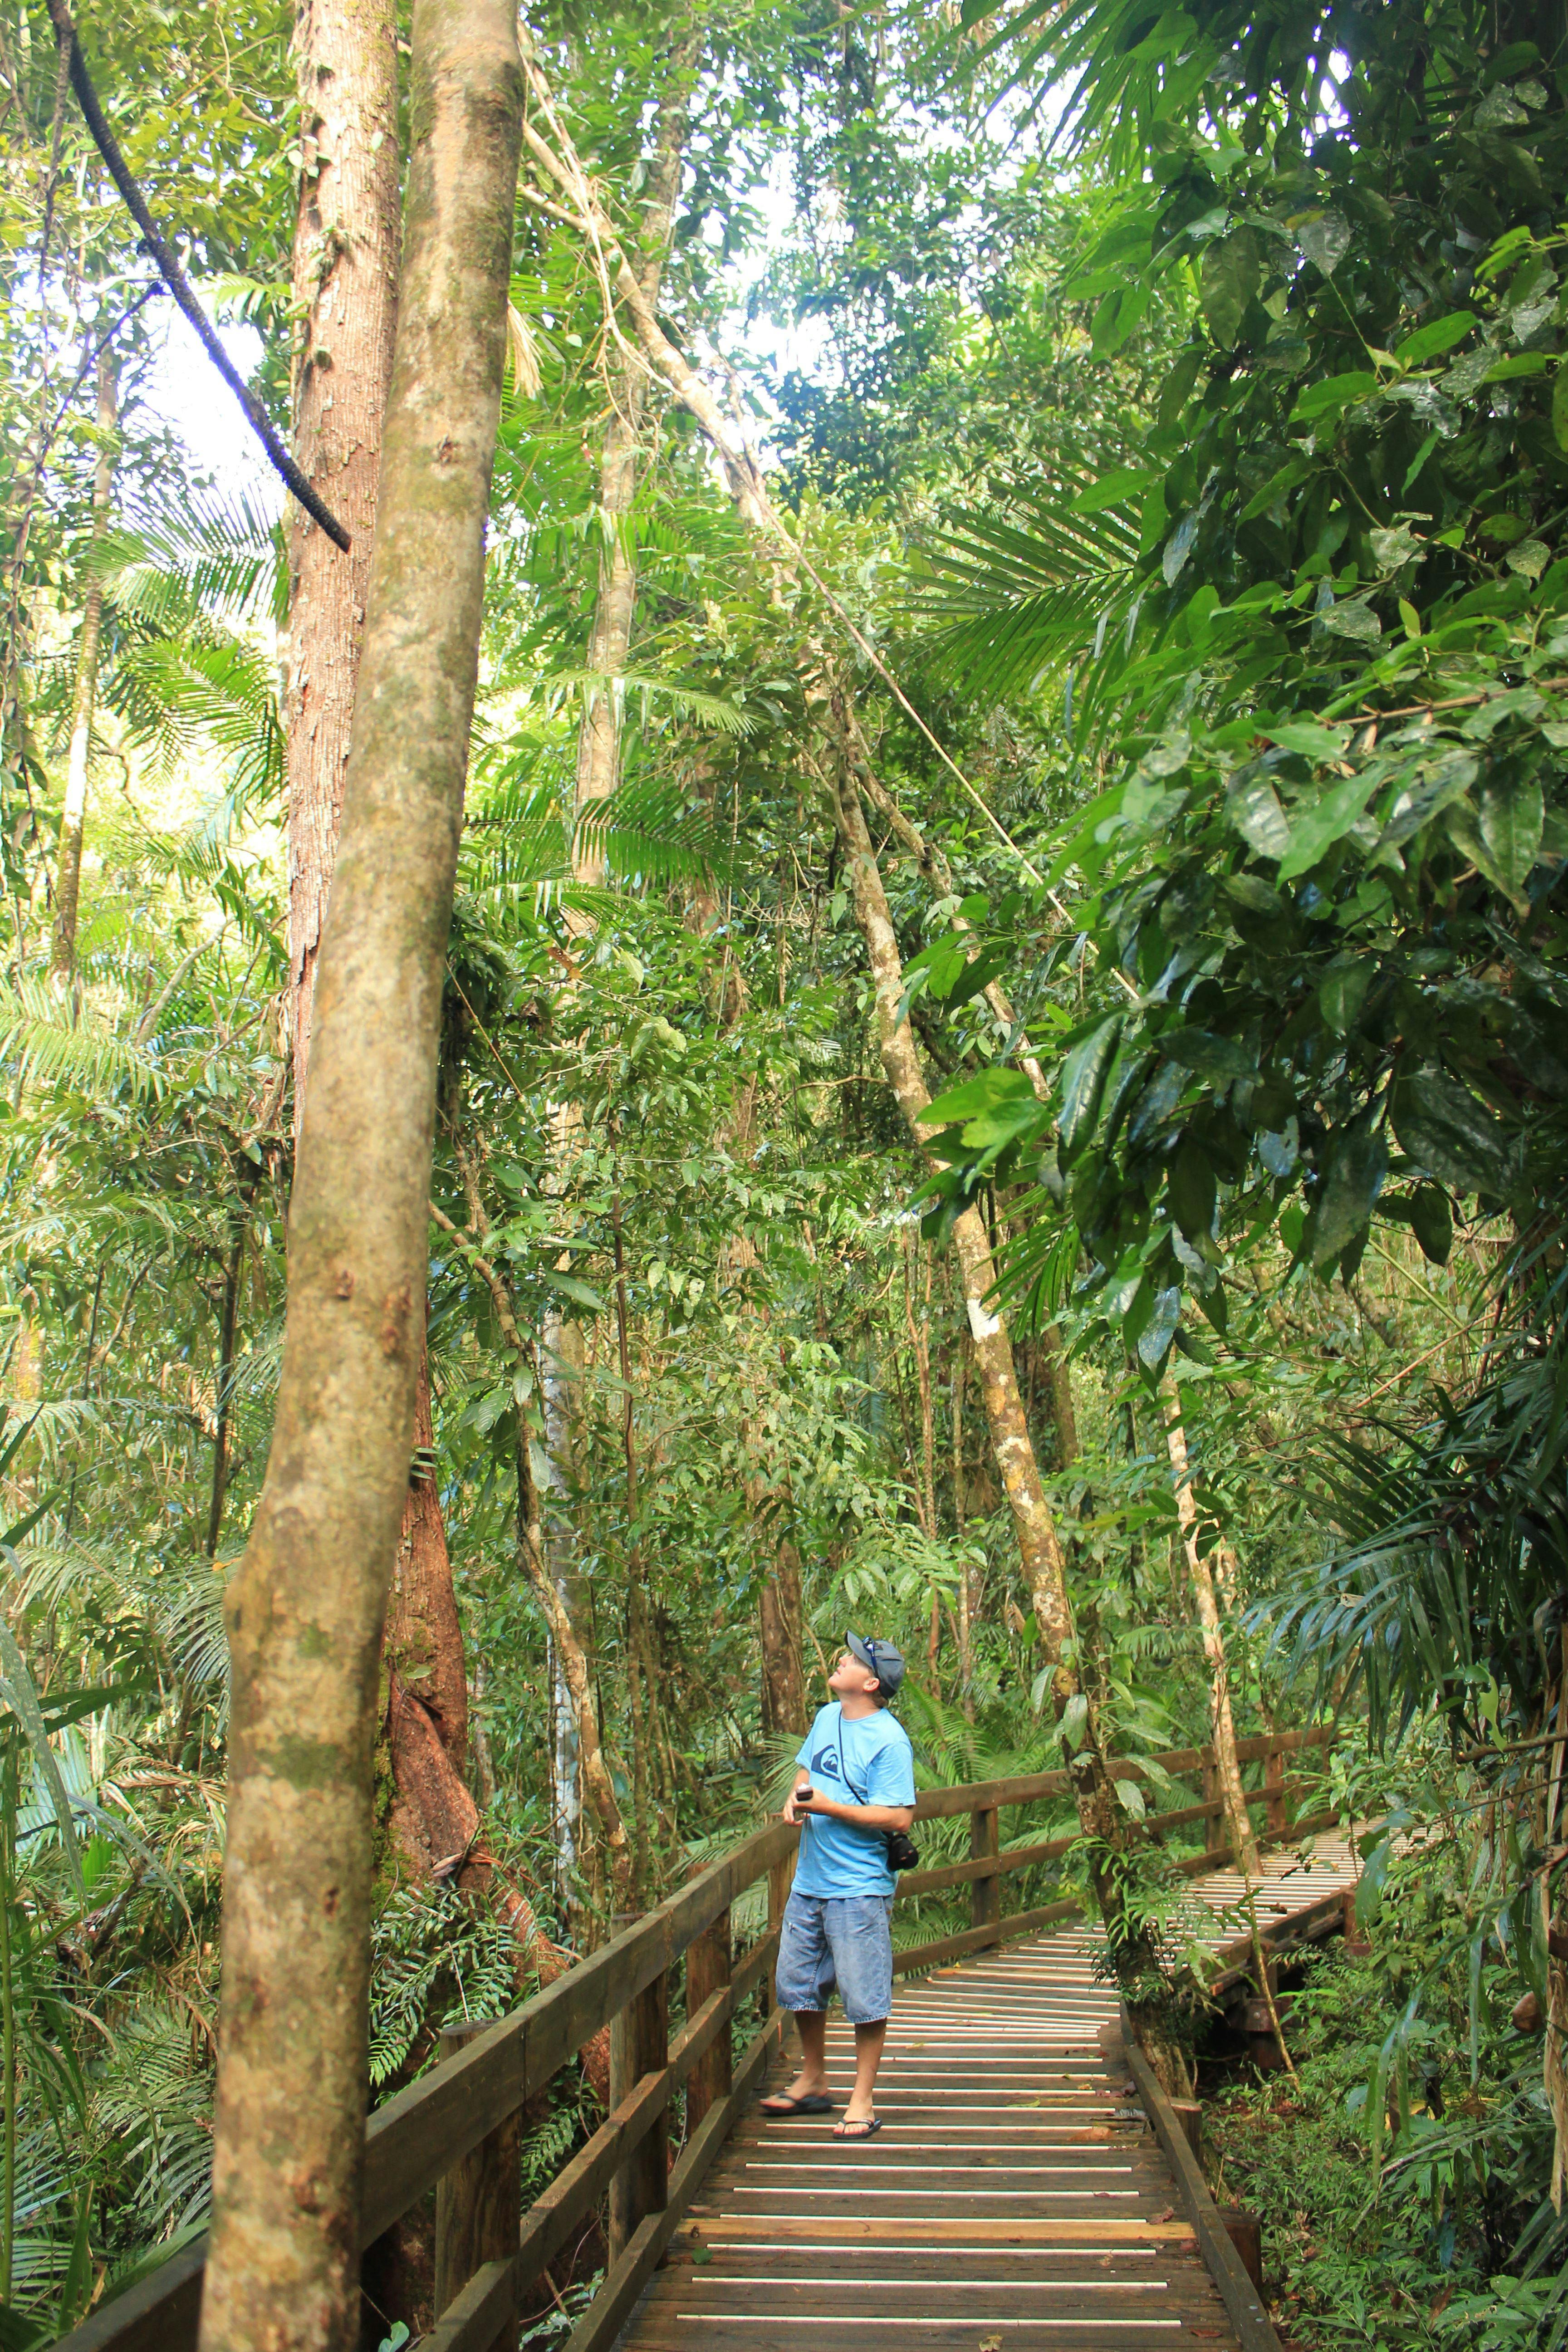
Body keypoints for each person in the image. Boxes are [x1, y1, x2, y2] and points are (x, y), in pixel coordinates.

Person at [760, 1632, 916, 2139]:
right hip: (811, 1880)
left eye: (851, 1659)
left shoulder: (890, 1741)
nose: (841, 1660)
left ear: (870, 1682)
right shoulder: (828, 1717)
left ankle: (863, 2098)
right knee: (799, 1984)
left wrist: (829, 1808)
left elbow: (899, 1816)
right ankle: (814, 2079)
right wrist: (795, 1796)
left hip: (859, 1885)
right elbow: (808, 1766)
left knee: (863, 1993)